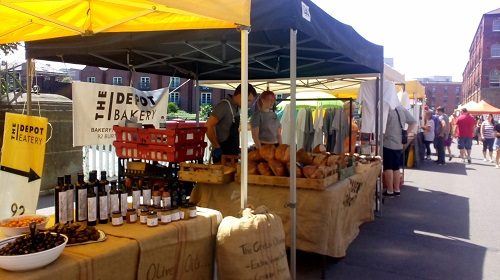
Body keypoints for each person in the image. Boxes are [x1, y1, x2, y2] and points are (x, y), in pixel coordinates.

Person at [206, 83, 257, 163]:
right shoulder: (224, 105)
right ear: (240, 94)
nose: (249, 104)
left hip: (232, 153)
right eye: (248, 100)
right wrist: (216, 146)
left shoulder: (236, 107)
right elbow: (208, 125)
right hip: (222, 154)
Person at [383, 105, 417, 197]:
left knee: (388, 167)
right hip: (399, 143)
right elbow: (413, 122)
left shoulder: (386, 108)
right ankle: (397, 189)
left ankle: (390, 190)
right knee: (396, 167)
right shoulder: (401, 108)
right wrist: (406, 133)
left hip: (388, 142)